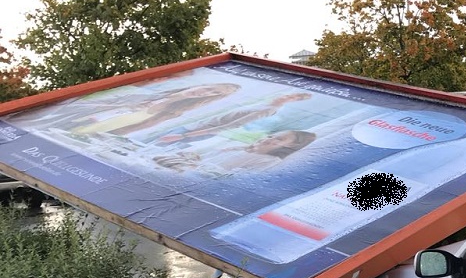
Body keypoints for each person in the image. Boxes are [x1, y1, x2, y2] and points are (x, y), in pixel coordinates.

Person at [68, 83, 241, 137]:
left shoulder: (173, 111)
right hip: (69, 120)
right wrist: (123, 106)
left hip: (83, 132)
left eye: (213, 93)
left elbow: (130, 129)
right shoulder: (153, 91)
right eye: (210, 88)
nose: (205, 92)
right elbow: (93, 102)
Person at [151, 91, 313, 148]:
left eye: (292, 97)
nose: (286, 96)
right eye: (289, 94)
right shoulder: (264, 104)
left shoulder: (268, 110)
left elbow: (229, 126)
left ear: (294, 101)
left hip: (194, 132)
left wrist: (183, 136)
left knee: (154, 147)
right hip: (193, 127)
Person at [153, 129, 316, 175]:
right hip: (180, 168)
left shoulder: (269, 161)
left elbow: (232, 177)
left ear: (290, 147)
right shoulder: (239, 147)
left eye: (278, 139)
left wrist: (195, 165)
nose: (269, 138)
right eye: (271, 135)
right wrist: (190, 157)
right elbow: (202, 157)